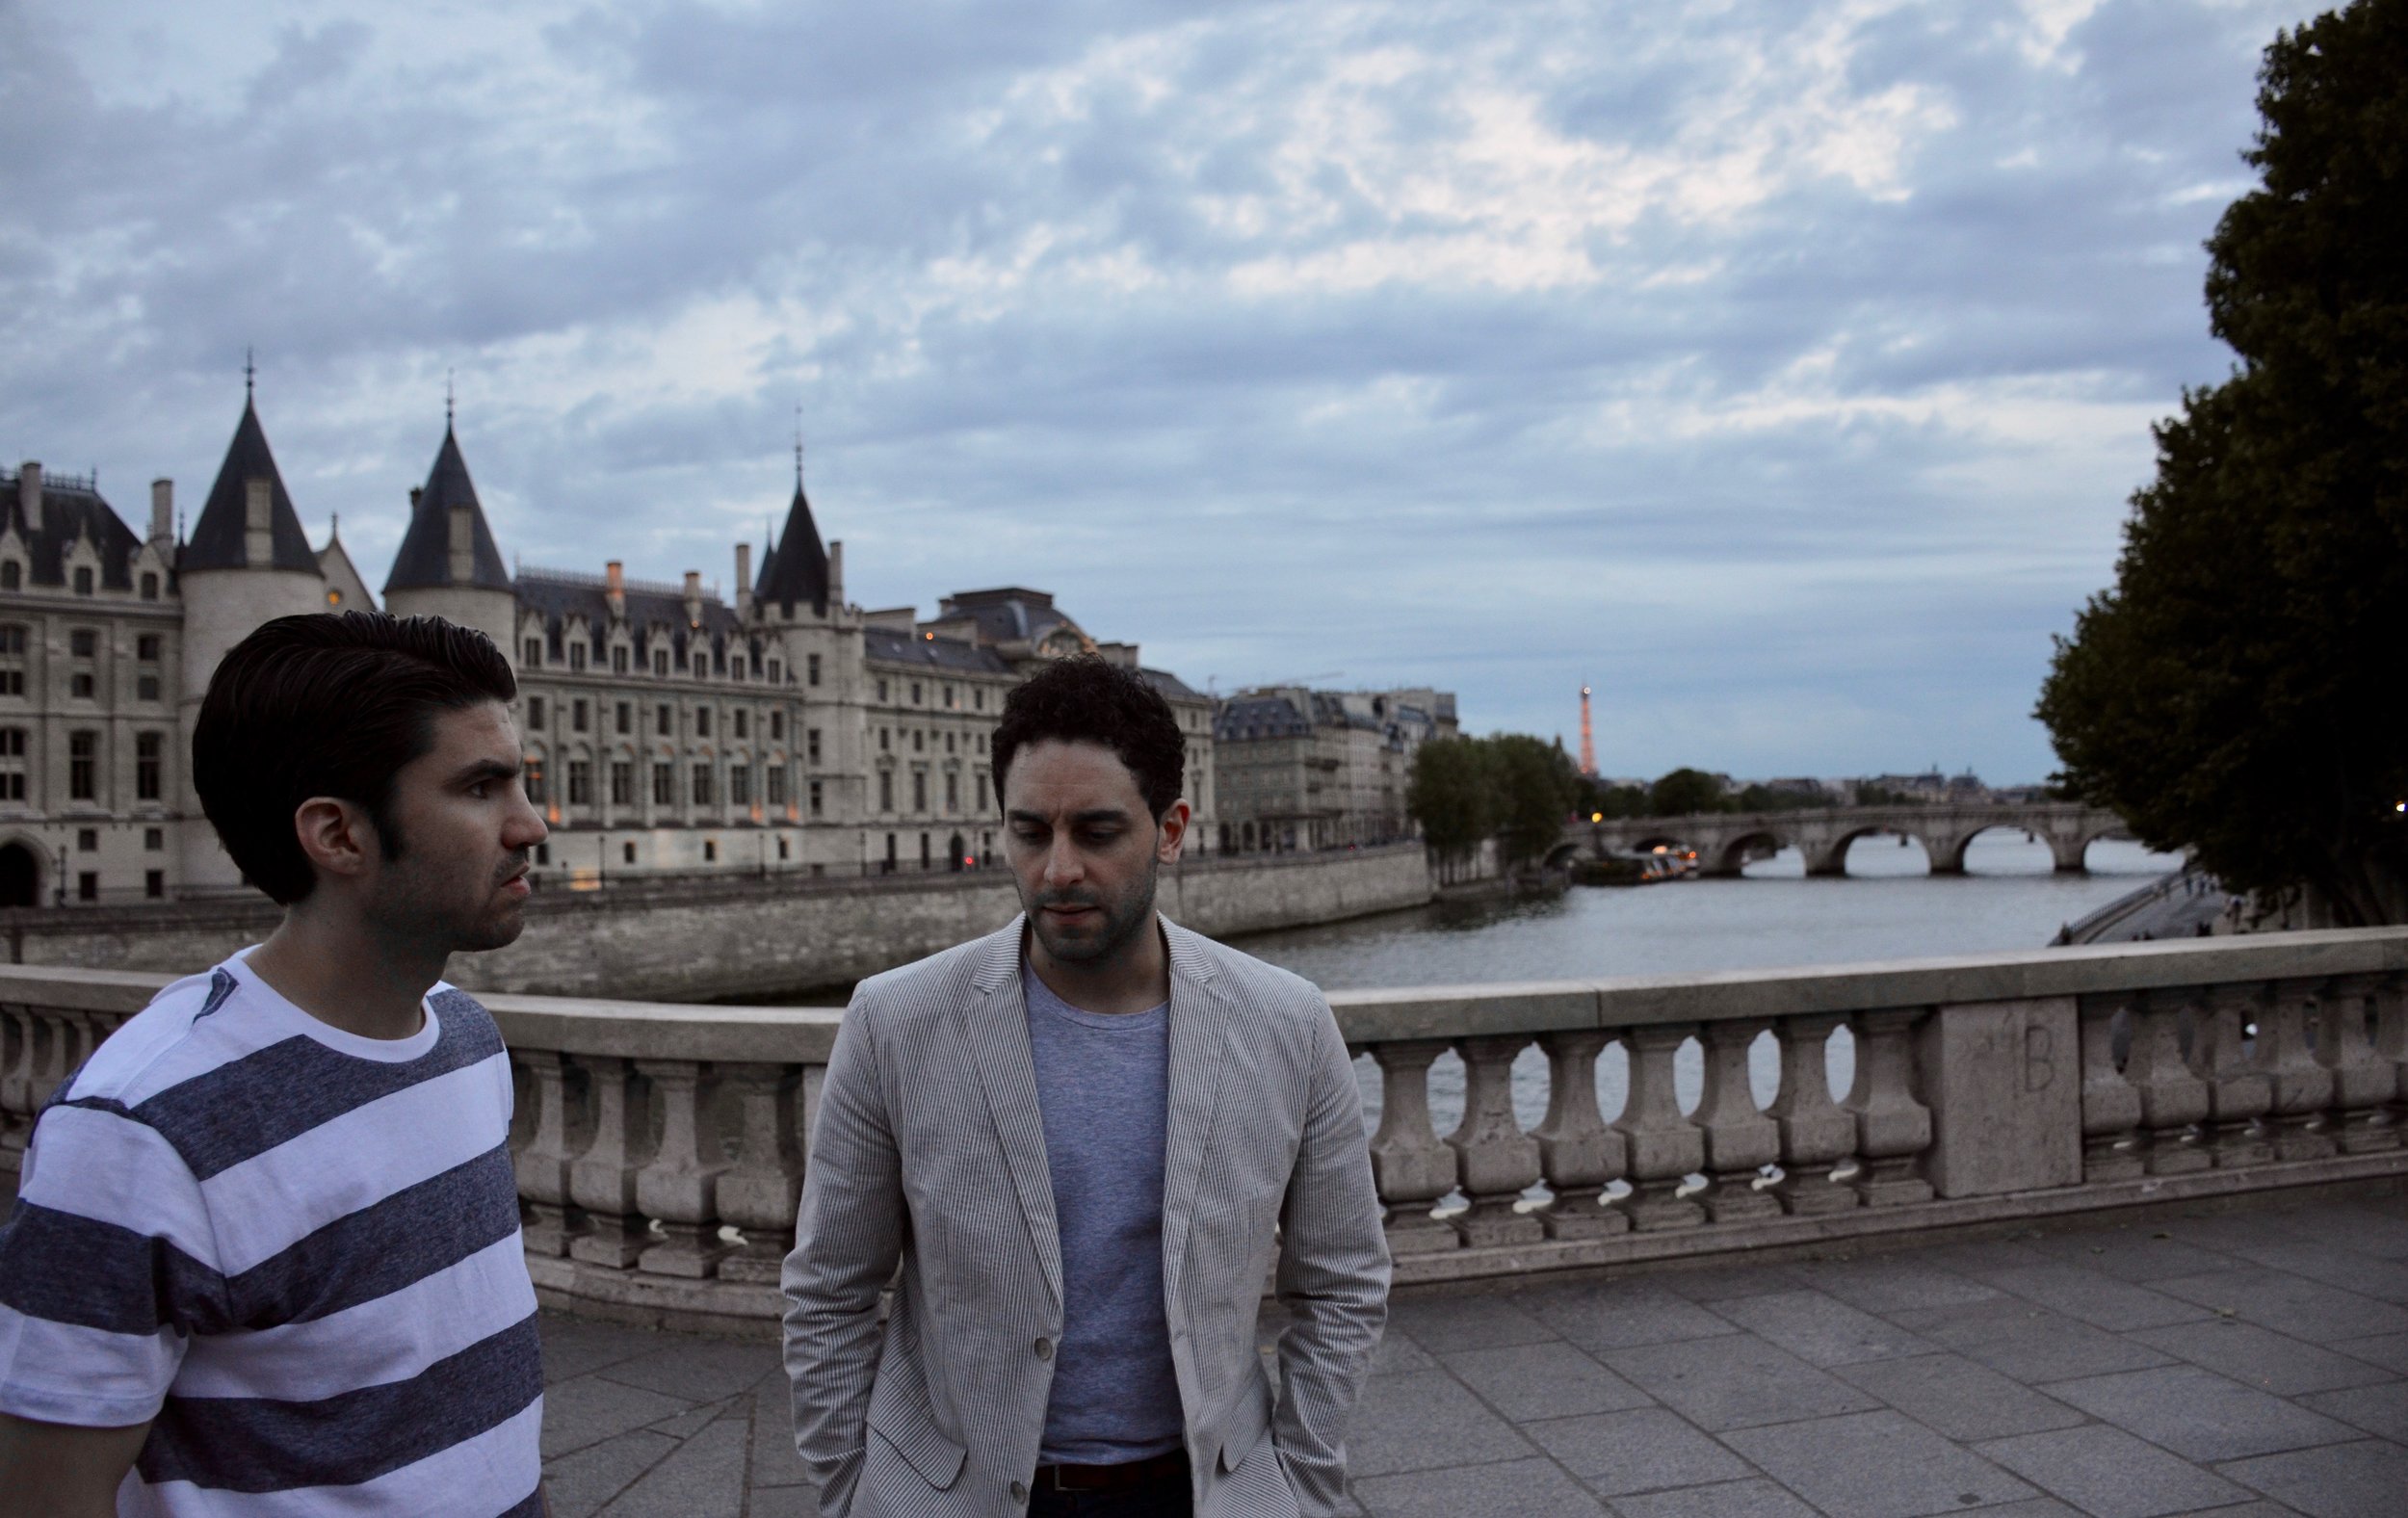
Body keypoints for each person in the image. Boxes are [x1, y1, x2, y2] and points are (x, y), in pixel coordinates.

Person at [783, 657, 1388, 1518]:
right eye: (1030, 832)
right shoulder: (895, 1022)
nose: (1057, 869)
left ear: (1171, 829)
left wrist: (1301, 1484)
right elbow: (828, 1290)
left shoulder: (1288, 1023)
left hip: (1205, 1496)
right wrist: (849, 1494)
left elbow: (1343, 1282)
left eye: (1097, 832)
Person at [0, 613, 551, 1515]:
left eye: (517, 781)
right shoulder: (139, 1134)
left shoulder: (463, 1040)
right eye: (482, 787)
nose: (530, 824)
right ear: (336, 835)